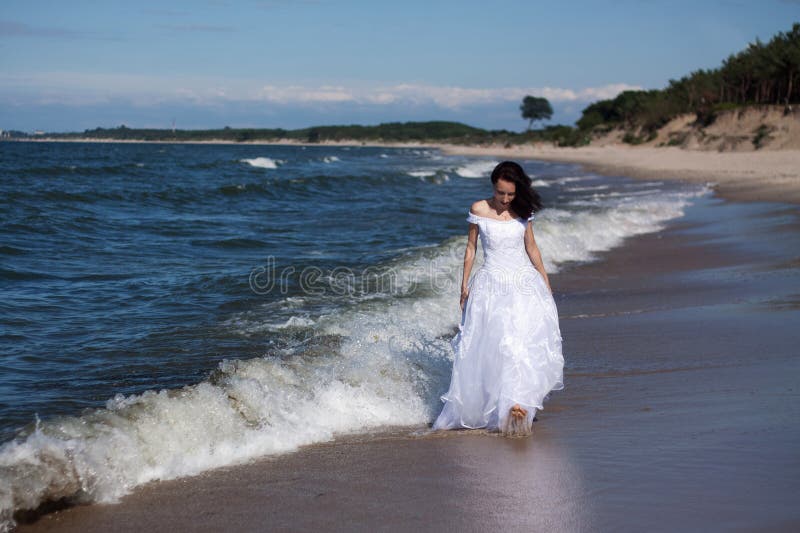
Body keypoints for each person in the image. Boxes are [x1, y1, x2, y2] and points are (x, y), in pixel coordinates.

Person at [433, 161, 564, 436]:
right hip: (490, 286)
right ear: (493, 186)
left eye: (510, 194)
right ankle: (500, 407)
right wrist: (464, 284)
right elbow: (471, 248)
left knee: (522, 345)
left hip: (524, 285)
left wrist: (545, 280)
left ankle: (516, 404)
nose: (505, 199)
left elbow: (532, 247)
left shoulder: (523, 211)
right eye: (500, 193)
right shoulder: (479, 209)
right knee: (496, 347)